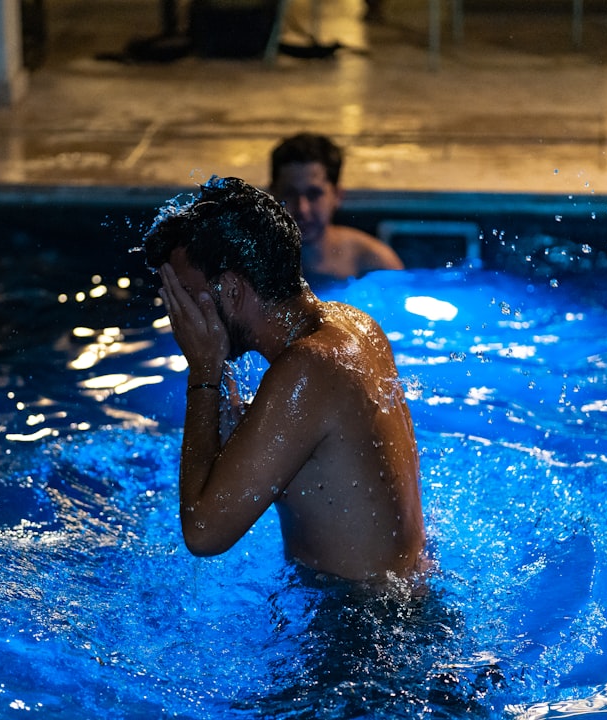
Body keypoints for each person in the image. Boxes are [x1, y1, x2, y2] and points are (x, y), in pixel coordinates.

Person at [143, 176, 427, 583]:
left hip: (360, 629)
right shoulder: (354, 325)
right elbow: (236, 461)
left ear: (233, 291)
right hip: (401, 596)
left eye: (187, 295)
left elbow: (204, 533)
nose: (181, 315)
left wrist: (204, 369)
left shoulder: (309, 370)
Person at [269, 133, 404, 283]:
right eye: (290, 194)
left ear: (337, 195)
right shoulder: (251, 262)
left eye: (314, 194)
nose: (302, 209)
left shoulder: (374, 262)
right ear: (272, 195)